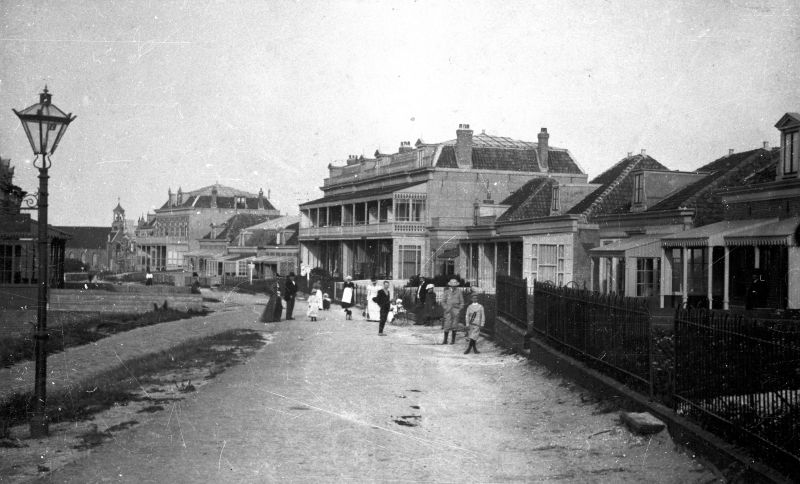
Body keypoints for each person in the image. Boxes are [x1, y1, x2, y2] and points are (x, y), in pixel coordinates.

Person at [440, 279, 464, 344]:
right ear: (450, 285)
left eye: (455, 286)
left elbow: (462, 302)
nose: (453, 287)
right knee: (447, 325)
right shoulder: (446, 292)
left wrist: (459, 309)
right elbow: (443, 301)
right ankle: (445, 340)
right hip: (448, 310)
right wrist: (446, 308)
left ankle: (453, 340)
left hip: (456, 310)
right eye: (452, 285)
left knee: (454, 325)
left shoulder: (459, 292)